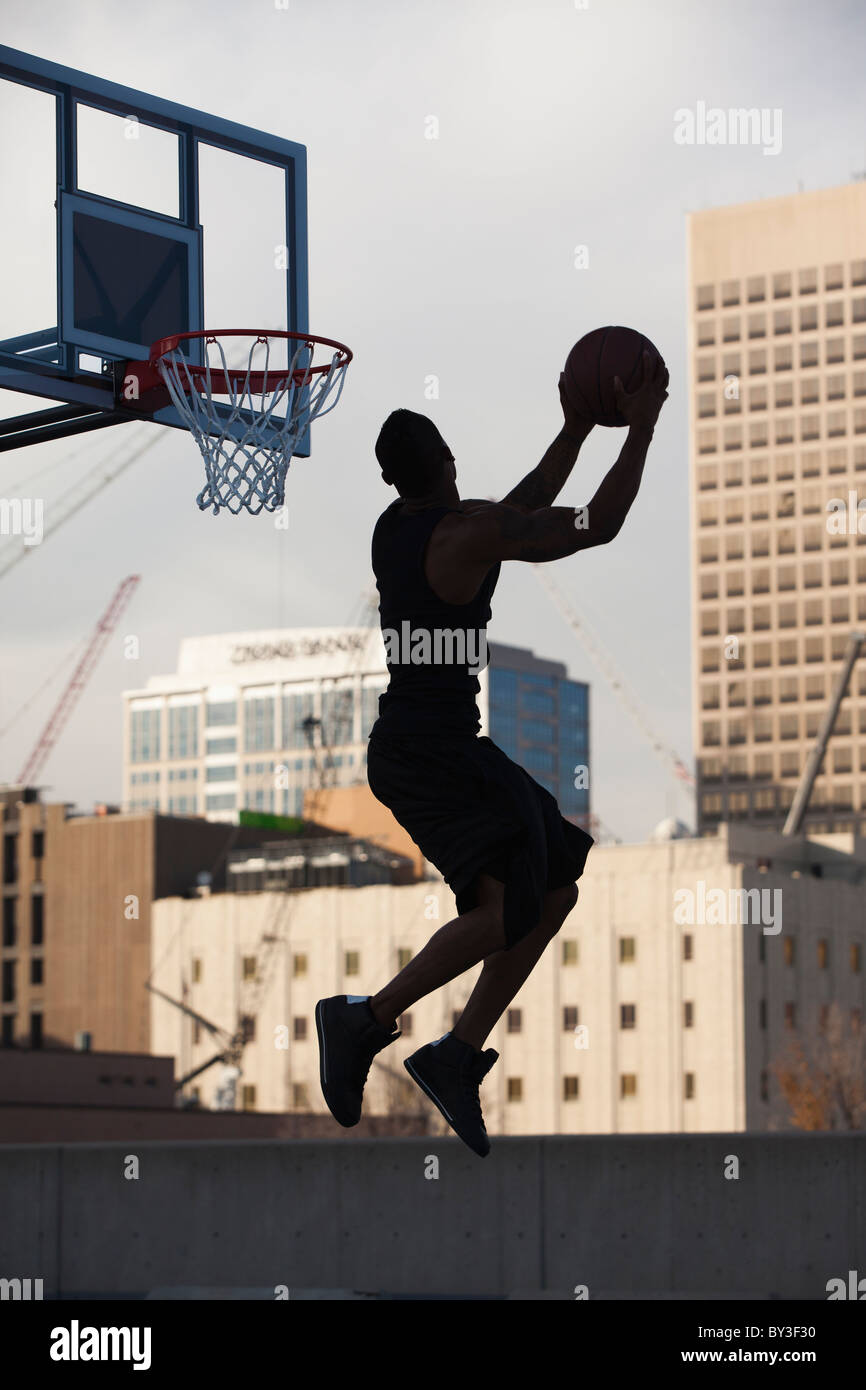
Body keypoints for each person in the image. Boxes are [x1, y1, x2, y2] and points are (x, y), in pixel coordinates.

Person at [316, 353, 669, 1155]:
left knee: (553, 891)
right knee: (507, 908)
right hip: (426, 754)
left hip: (440, 748)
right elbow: (594, 524)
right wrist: (640, 426)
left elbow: (516, 511)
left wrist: (577, 427)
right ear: (444, 461)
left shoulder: (401, 529)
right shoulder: (467, 531)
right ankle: (362, 1020)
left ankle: (455, 1055)